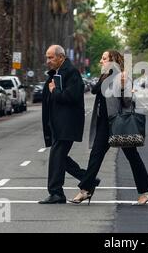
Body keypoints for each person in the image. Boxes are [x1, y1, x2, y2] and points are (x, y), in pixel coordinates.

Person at [70, 50, 148, 206]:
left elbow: (128, 102)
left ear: (113, 60)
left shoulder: (123, 77)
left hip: (118, 124)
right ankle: (86, 190)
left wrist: (122, 87)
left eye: (104, 59)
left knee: (133, 158)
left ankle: (146, 191)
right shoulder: (106, 76)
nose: (101, 61)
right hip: (104, 124)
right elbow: (94, 90)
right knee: (95, 156)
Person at [39, 45, 97, 204]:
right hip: (58, 124)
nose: (48, 61)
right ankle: (88, 180)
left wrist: (54, 91)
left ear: (61, 57)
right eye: (47, 57)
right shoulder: (55, 73)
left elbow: (73, 96)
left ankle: (56, 192)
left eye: (51, 57)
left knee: (56, 157)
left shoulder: (71, 73)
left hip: (67, 123)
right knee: (60, 158)